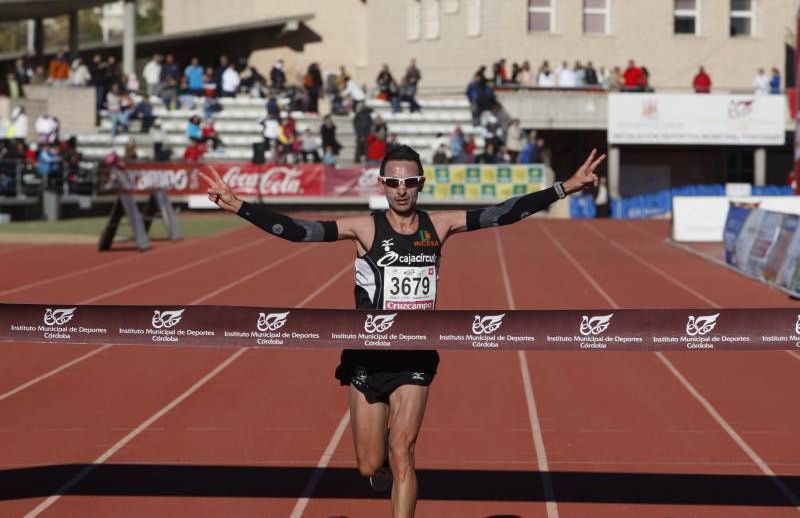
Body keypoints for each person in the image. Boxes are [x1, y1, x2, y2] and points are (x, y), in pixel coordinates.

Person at [200, 145, 605, 518]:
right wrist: (240, 206)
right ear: (381, 184)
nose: (401, 190)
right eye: (393, 182)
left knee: (403, 450)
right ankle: (381, 475)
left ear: (421, 184)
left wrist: (564, 187)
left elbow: (501, 212)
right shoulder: (363, 228)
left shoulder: (439, 225)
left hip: (415, 357)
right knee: (369, 464)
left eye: (409, 182)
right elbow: (299, 231)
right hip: (368, 356)